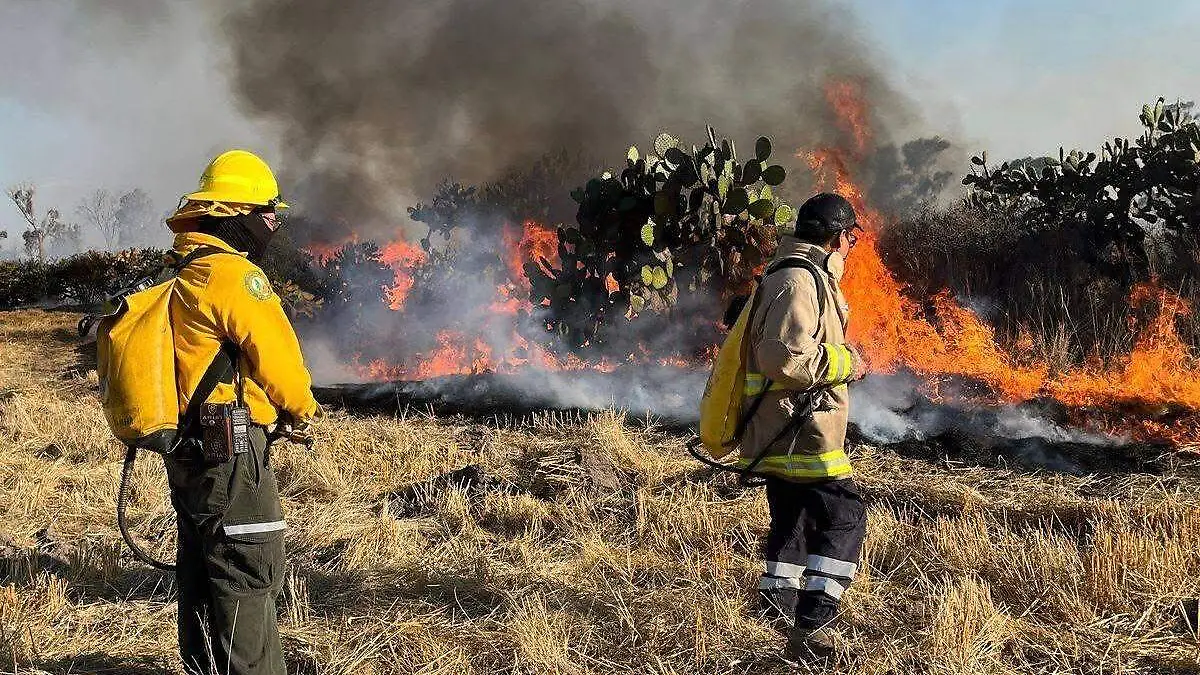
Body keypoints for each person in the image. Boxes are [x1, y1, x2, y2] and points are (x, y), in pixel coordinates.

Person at [162, 149, 321, 675]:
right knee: (248, 571)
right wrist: (302, 411)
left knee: (203, 567)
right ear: (237, 214)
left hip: (186, 447)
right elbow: (281, 363)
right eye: (267, 213)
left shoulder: (185, 271)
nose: (273, 224)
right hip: (231, 449)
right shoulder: (236, 278)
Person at [740, 192, 868, 659]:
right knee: (844, 515)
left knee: (792, 517)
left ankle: (776, 610)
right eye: (851, 238)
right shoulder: (798, 281)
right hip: (799, 429)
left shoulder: (801, 273)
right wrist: (846, 362)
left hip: (786, 426)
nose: (852, 246)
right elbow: (782, 358)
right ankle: (814, 625)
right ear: (838, 237)